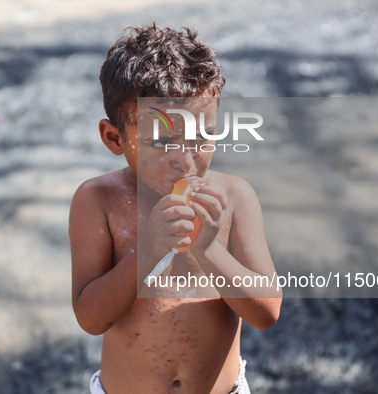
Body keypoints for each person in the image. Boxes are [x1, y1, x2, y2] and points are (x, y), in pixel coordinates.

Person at [69, 24, 282, 394]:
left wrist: (209, 249)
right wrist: (148, 250)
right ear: (115, 138)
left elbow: (266, 312)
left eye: (202, 137)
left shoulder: (233, 197)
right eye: (163, 142)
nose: (184, 162)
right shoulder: (98, 201)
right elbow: (91, 318)